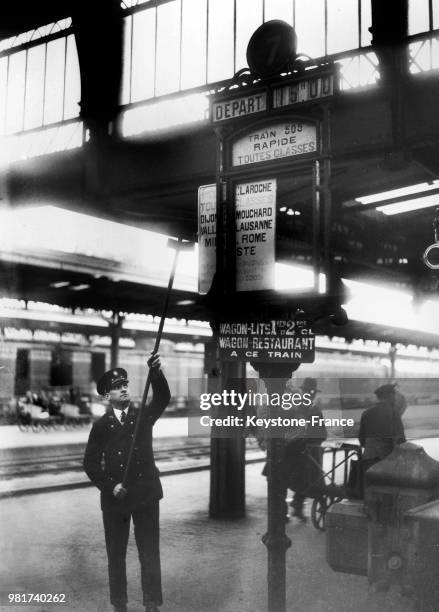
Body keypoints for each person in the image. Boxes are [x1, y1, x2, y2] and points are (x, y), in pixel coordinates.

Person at [84, 354, 171, 612]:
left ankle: (152, 603)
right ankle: (119, 604)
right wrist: (110, 486)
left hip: (145, 494)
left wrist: (156, 373)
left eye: (125, 384)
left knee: (149, 553)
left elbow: (163, 398)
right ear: (106, 396)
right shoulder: (101, 426)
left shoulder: (143, 416)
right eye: (117, 386)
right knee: (116, 555)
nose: (123, 388)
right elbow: (89, 464)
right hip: (115, 499)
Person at [283, 378, 327, 520]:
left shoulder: (297, 408)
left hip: (296, 451)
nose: (310, 394)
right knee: (310, 479)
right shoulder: (309, 409)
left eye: (312, 392)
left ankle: (295, 507)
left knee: (303, 479)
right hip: (298, 451)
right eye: (308, 391)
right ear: (303, 392)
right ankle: (292, 508)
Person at [358, 383, 406, 478]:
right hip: (387, 461)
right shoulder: (394, 413)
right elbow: (400, 440)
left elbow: (361, 439)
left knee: (369, 489)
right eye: (394, 395)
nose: (395, 398)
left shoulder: (366, 413)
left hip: (368, 459)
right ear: (390, 396)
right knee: (386, 490)